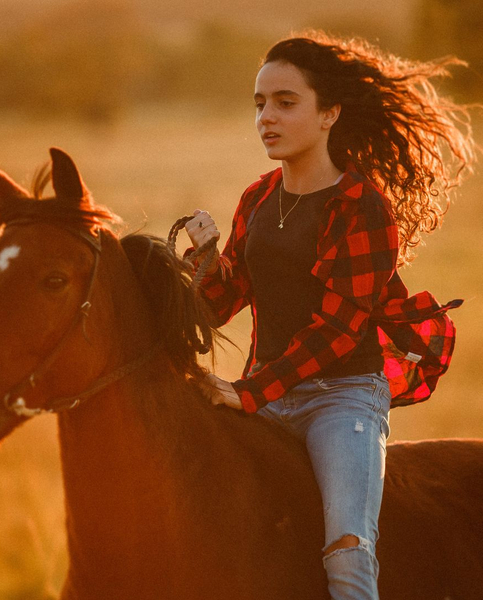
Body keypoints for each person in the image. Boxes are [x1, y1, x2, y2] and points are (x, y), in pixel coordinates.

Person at [184, 32, 477, 599]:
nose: (267, 117)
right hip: (267, 389)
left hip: (342, 398)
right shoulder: (257, 198)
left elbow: (338, 333)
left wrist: (246, 394)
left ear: (330, 114)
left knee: (346, 554)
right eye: (259, 104)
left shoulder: (363, 205)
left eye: (285, 102)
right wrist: (205, 263)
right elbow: (222, 303)